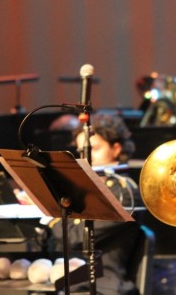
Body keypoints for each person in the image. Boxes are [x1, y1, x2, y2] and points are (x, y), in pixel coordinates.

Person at [48, 113, 141, 295]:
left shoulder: (124, 192)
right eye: (82, 152)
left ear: (116, 148)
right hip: (70, 280)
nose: (87, 158)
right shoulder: (81, 188)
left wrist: (49, 213)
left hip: (102, 285)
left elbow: (77, 239)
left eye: (95, 149)